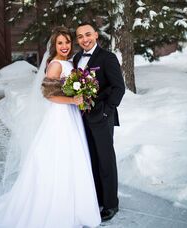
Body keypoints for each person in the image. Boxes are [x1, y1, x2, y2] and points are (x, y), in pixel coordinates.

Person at [0, 26, 101, 228]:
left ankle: (74, 204)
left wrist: (79, 94)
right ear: (54, 45)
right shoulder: (55, 65)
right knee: (59, 157)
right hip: (60, 116)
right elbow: (49, 95)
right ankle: (56, 206)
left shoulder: (69, 62)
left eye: (67, 42)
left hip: (71, 115)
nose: (64, 46)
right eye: (60, 43)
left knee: (73, 156)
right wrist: (72, 101)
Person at [73, 22, 125, 222]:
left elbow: (118, 87)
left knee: (106, 161)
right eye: (80, 36)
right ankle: (98, 198)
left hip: (102, 116)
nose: (84, 39)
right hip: (82, 118)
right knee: (91, 159)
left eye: (88, 34)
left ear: (96, 35)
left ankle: (111, 204)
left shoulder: (107, 58)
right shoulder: (77, 58)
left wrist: (106, 112)